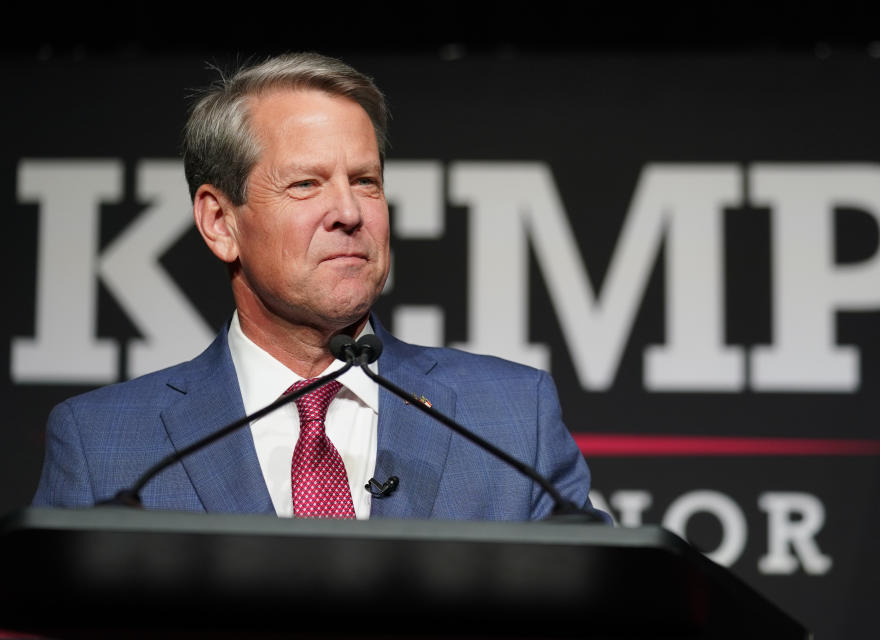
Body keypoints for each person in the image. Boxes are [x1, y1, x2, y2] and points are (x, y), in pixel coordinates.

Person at [32, 53, 606, 522]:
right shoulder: (104, 445)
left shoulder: (508, 418)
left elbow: (610, 611)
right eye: (306, 184)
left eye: (365, 181)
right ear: (219, 223)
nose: (350, 212)